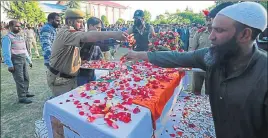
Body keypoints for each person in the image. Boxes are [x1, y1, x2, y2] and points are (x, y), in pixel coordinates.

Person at [125, 2, 268, 138]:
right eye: (211, 29)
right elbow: (177, 57)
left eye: (219, 30)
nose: (211, 37)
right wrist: (141, 55)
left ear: (245, 35)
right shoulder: (211, 55)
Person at [47, 8, 128, 97]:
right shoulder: (67, 32)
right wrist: (114, 34)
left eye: (83, 22)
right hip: (61, 78)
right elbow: (86, 37)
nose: (82, 25)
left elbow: (97, 41)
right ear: (69, 22)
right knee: (63, 105)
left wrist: (118, 39)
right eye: (79, 22)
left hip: (68, 77)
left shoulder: (73, 33)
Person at [188, 2, 234, 95]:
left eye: (210, 20)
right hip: (199, 66)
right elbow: (193, 49)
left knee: (210, 93)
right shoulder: (199, 33)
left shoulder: (220, 33)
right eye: (207, 20)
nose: (208, 22)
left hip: (213, 67)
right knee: (195, 91)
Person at [2, 20, 34, 104]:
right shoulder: (7, 37)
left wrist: (29, 60)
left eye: (20, 26)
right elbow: (6, 52)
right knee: (19, 79)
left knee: (26, 77)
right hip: (15, 60)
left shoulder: (20, 36)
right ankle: (22, 97)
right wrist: (9, 64)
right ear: (10, 27)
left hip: (23, 59)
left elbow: (24, 50)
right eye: (16, 26)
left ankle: (26, 92)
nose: (19, 28)